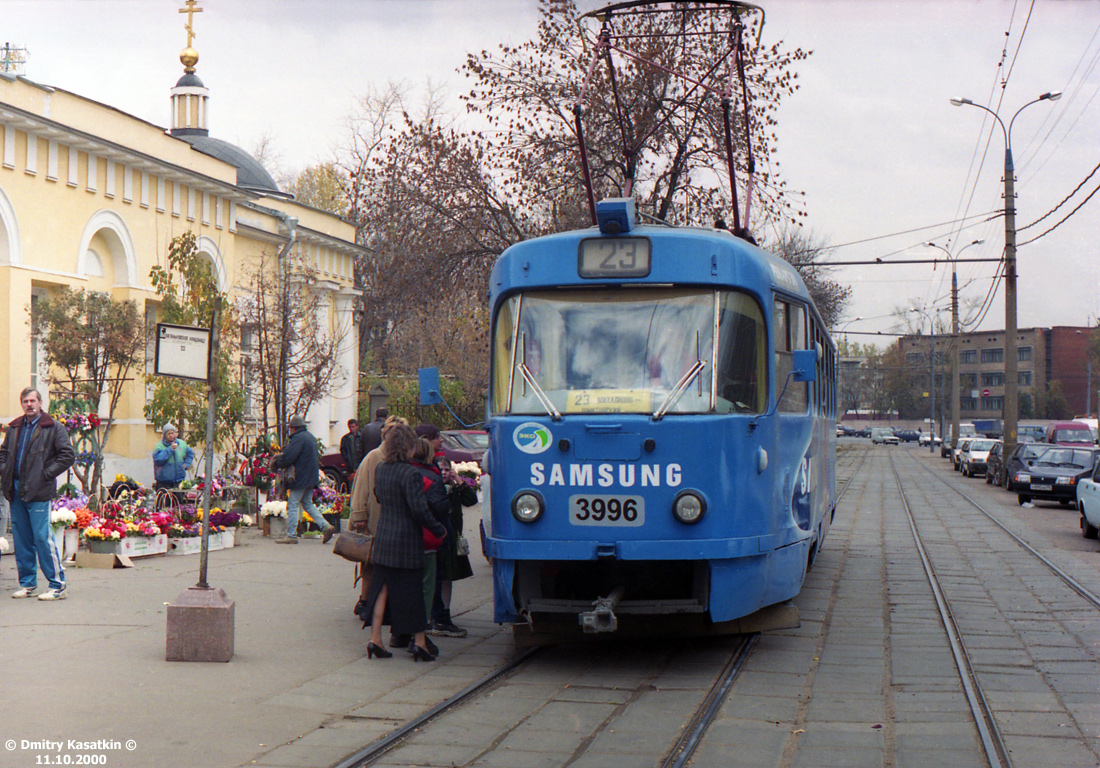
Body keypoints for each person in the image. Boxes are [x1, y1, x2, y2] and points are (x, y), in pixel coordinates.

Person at [362, 424, 447, 662]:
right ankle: (420, 642)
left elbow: (379, 495)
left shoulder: (382, 468)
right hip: (407, 540)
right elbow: (419, 510)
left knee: (381, 590)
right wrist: (439, 529)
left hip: (385, 537)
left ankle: (375, 639)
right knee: (414, 592)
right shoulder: (410, 473)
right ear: (407, 446)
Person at [0, 387, 76, 600]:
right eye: (25, 401)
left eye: (33, 400)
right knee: (22, 539)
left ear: (40, 403)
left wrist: (45, 474)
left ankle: (57, 585)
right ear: (21, 403)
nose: (29, 404)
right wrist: (5, 470)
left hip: (39, 490)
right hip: (15, 490)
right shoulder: (15, 427)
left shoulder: (52, 427)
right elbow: (4, 453)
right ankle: (28, 584)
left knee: (43, 538)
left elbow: (67, 455)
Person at [411, 437, 450, 655]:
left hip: (404, 539)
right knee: (427, 586)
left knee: (408, 586)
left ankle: (402, 632)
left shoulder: (404, 472)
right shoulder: (432, 477)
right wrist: (440, 530)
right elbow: (440, 509)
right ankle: (419, 637)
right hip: (427, 538)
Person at [271, 415, 335, 544]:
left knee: (293, 504)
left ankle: (291, 535)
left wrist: (278, 462)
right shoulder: (310, 437)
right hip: (311, 477)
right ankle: (326, 526)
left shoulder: (298, 438)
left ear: (294, 428)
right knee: (307, 503)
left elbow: (289, 456)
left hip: (300, 477)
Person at [152, 423, 194, 493]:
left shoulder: (182, 444)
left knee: (178, 503)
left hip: (179, 481)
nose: (171, 435)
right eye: (169, 434)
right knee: (165, 503)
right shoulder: (160, 446)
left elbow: (190, 454)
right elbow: (157, 460)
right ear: (165, 435)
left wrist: (186, 464)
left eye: (172, 433)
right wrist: (170, 449)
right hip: (164, 482)